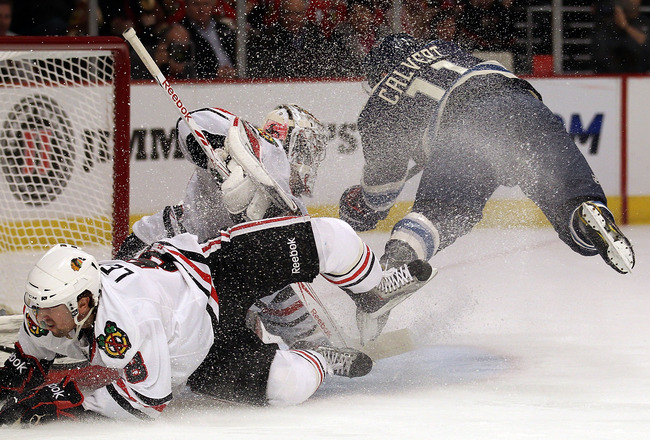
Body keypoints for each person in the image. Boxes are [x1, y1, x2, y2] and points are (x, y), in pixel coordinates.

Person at [339, 33, 636, 337]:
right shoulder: (443, 46)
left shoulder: (378, 106)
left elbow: (380, 195)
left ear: (377, 74)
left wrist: (359, 206)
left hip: (465, 124)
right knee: (560, 187)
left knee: (441, 212)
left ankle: (389, 274)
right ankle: (583, 209)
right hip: (521, 102)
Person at [117, 104, 332, 348]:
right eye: (308, 148)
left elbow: (278, 279)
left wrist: (315, 343)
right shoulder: (248, 145)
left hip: (201, 271)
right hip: (151, 254)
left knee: (261, 279)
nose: (311, 159)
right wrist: (224, 155)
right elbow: (191, 122)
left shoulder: (290, 206)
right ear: (292, 144)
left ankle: (310, 344)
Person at [247, 0, 335, 78]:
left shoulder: (316, 34)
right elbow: (264, 68)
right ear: (280, 14)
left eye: (297, 13)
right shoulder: (269, 37)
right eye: (288, 13)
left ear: (304, 14)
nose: (292, 18)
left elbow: (326, 64)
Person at [181, 0, 237, 79]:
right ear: (187, 7)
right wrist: (213, 73)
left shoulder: (223, 28)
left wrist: (236, 70)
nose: (201, 9)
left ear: (213, 6)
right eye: (196, 4)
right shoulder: (182, 32)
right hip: (205, 83)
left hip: (234, 78)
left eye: (206, 4)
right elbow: (182, 66)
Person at [592, 0, 650, 73]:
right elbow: (599, 54)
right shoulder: (608, 23)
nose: (630, 2)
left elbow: (647, 45)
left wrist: (626, 27)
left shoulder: (645, 23)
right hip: (609, 75)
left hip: (639, 75)